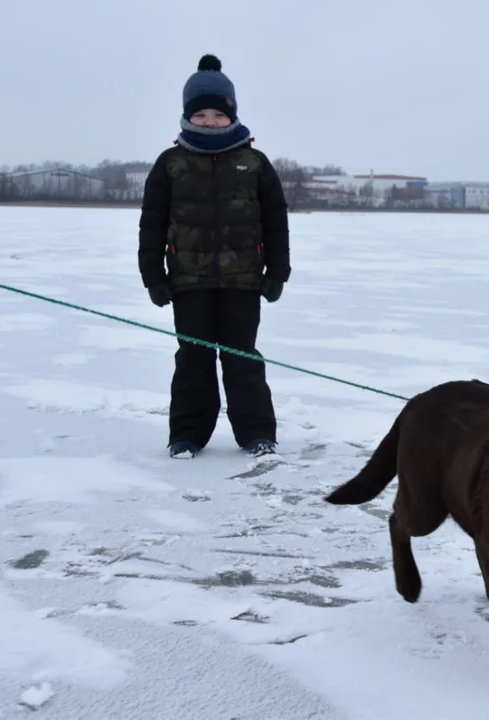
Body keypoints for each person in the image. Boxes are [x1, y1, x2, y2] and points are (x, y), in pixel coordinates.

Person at [137, 54, 291, 459]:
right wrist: (152, 275)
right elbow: (151, 224)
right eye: (200, 114)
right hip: (188, 282)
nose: (209, 121)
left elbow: (276, 221)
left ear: (232, 115)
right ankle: (186, 435)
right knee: (193, 359)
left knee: (243, 358)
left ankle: (257, 434)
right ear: (188, 116)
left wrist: (278, 271)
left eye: (218, 115)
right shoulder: (170, 164)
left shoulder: (254, 164)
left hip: (243, 281)